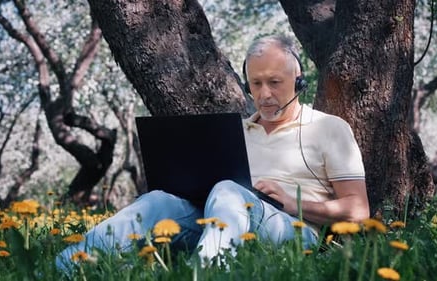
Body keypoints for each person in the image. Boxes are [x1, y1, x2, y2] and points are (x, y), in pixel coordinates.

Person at [56, 34, 369, 273]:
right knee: (157, 200)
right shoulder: (237, 131)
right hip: (218, 222)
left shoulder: (329, 128)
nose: (265, 94)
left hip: (293, 232)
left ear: (298, 81)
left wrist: (292, 203)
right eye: (256, 84)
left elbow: (359, 210)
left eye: (275, 83)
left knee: (229, 190)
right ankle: (60, 268)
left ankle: (205, 275)